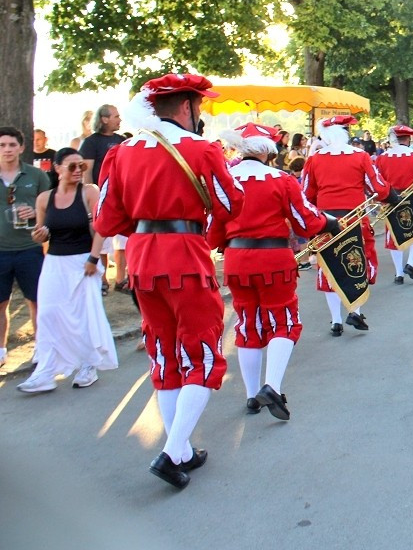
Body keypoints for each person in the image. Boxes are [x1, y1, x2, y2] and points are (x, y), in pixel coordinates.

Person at [95, 73, 245, 490]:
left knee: (164, 352)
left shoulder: (121, 152)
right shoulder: (201, 148)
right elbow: (231, 204)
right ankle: (171, 450)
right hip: (184, 255)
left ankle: (179, 451)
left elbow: (107, 219)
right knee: (202, 350)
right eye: (202, 106)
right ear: (186, 107)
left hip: (143, 259)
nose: (204, 113)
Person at [210, 123, 339, 420]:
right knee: (284, 322)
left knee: (248, 324)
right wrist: (329, 223)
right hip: (274, 259)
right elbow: (305, 221)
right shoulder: (281, 180)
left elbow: (212, 231)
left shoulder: (224, 180)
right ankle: (272, 386)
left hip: (237, 260)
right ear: (268, 150)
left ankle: (251, 395)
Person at [17, 147, 118, 392]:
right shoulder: (44, 198)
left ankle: (87, 365)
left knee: (83, 315)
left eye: (81, 166)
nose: (77, 170)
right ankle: (46, 371)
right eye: (71, 166)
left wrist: (94, 260)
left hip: (83, 259)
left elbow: (101, 228)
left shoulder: (89, 192)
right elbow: (41, 234)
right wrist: (39, 234)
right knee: (49, 314)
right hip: (54, 262)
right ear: (57, 168)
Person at [302, 116, 392, 336]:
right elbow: (377, 187)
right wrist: (392, 196)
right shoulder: (361, 156)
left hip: (325, 222)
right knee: (357, 263)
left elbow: (306, 194)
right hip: (355, 219)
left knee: (329, 266)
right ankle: (355, 312)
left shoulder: (314, 160)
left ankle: (335, 321)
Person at [0, 127, 51, 369]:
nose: (7, 150)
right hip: (0, 249)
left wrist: (35, 213)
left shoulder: (36, 175)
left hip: (29, 247)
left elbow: (51, 207)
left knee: (36, 300)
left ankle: (41, 348)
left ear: (21, 148)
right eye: (2, 145)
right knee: (1, 303)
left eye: (12, 145)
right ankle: (1, 351)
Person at [375, 126, 413, 283]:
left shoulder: (382, 157)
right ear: (408, 139)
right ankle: (411, 263)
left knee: (394, 236)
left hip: (391, 200)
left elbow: (377, 181)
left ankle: (399, 273)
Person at [79, 104, 127, 296]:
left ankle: (121, 279)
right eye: (116, 116)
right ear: (104, 119)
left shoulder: (122, 141)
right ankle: (102, 278)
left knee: (123, 241)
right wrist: (91, 195)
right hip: (101, 198)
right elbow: (87, 170)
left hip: (121, 197)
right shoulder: (91, 142)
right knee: (102, 241)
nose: (119, 119)